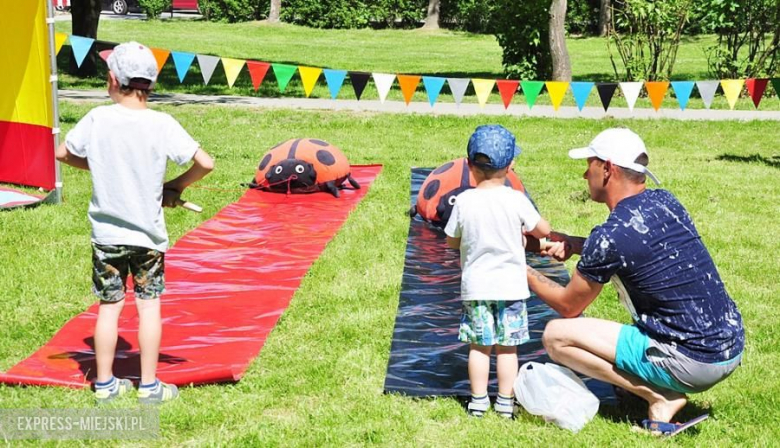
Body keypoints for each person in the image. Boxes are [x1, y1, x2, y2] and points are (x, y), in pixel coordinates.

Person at [527, 128, 744, 432]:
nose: (583, 174)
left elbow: (567, 305)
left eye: (589, 164)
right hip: (728, 345)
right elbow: (636, 245)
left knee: (556, 335)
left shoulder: (611, 238)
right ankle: (648, 385)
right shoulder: (665, 201)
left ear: (608, 168)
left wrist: (519, 267)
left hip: (695, 361)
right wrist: (576, 245)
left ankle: (658, 396)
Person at [55, 41, 214, 404]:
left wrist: (99, 166)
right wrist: (175, 186)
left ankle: (106, 384)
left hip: (107, 236)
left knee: (109, 308)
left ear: (112, 79)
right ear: (151, 85)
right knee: (148, 306)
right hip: (148, 237)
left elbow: (63, 152)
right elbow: (206, 163)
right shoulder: (163, 123)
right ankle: (149, 385)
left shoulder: (97, 118)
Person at [445, 125, 552, 418]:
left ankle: (478, 401)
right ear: (511, 165)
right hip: (511, 288)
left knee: (480, 347)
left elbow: (451, 241)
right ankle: (505, 402)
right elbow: (543, 230)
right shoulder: (516, 199)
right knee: (508, 348)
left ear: (469, 166)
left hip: (476, 288)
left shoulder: (464, 201)